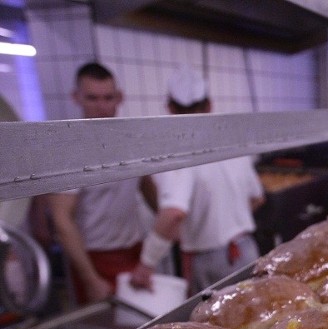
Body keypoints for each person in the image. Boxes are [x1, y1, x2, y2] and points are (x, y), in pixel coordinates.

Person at [129, 66, 265, 296]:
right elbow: (257, 198)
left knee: (215, 328)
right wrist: (224, 219)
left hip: (211, 263)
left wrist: (146, 265)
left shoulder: (181, 150)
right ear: (209, 105)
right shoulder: (231, 141)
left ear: (170, 108)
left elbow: (174, 213)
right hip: (246, 250)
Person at [47, 62, 151, 305]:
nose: (102, 107)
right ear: (77, 98)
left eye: (108, 98)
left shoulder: (131, 142)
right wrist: (90, 278)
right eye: (92, 98)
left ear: (119, 97)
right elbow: (62, 221)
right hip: (95, 258)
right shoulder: (69, 151)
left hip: (135, 250)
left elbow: (145, 184)